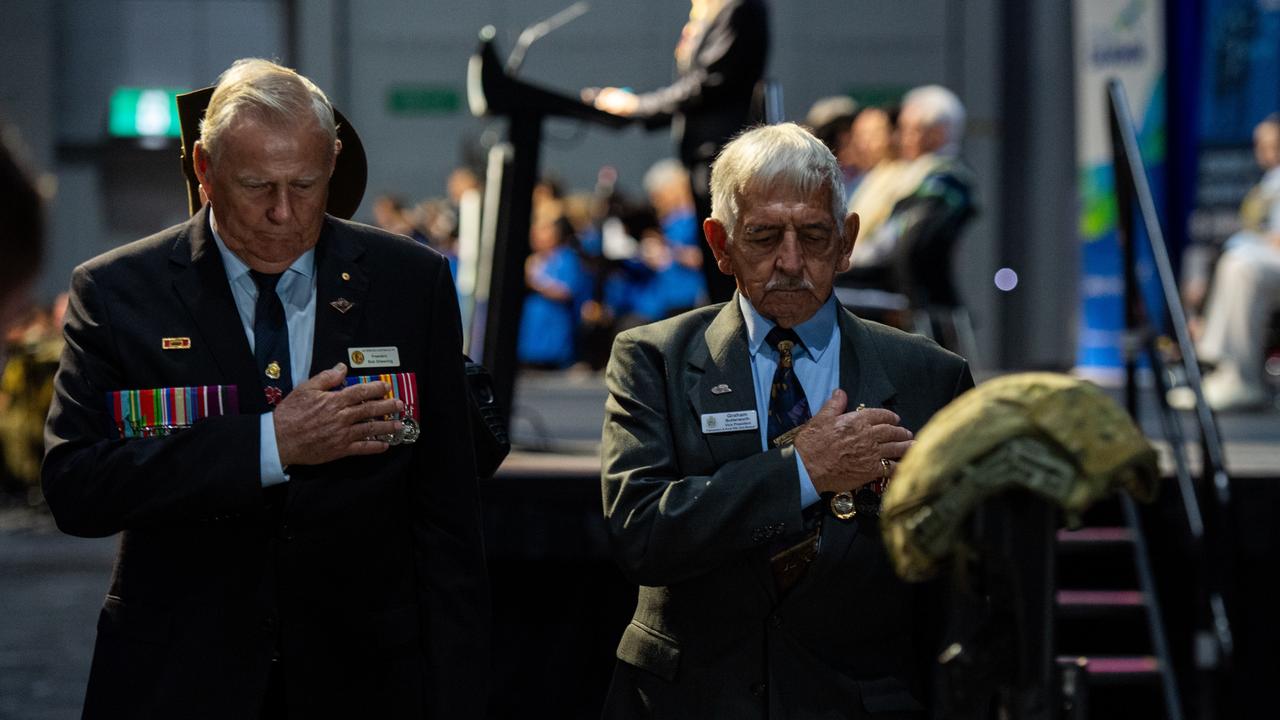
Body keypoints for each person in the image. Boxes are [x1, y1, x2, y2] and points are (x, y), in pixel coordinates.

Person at [42, 59, 489, 718]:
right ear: (204, 167)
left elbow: (449, 511)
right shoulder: (117, 294)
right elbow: (75, 487)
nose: (284, 213)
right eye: (256, 186)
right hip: (179, 678)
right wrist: (270, 444)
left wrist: (459, 693)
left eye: (305, 184)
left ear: (334, 159)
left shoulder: (409, 283)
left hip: (364, 682)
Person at [599, 123, 974, 718]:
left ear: (848, 240)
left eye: (816, 236)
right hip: (687, 701)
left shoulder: (934, 376)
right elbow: (641, 535)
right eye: (765, 236)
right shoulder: (653, 359)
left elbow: (958, 587)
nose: (792, 261)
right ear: (720, 244)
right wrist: (802, 471)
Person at [586, 0, 769, 304]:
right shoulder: (712, 15)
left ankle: (737, 347)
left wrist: (637, 106)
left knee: (727, 268)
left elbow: (708, 84)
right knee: (718, 270)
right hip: (706, 156)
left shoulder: (739, 7)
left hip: (724, 157)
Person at [1170, 113, 1280, 411]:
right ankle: (1218, 368)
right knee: (1225, 260)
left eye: (1270, 143)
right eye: (1260, 144)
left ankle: (1239, 378)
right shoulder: (1268, 182)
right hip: (1264, 260)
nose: (1263, 150)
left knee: (1241, 265)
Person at [844, 85, 976, 310]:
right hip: (914, 292)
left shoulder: (941, 181)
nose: (900, 138)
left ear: (937, 134)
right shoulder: (928, 177)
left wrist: (846, 263)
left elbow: (897, 240)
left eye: (909, 129)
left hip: (912, 298)